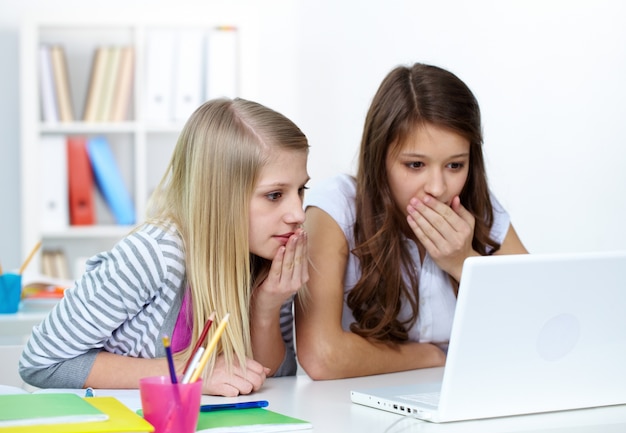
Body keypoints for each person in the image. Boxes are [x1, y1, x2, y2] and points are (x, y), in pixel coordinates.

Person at [20, 98, 310, 396]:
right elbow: (41, 363)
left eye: (301, 190)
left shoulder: (268, 254)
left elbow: (275, 375)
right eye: (275, 195)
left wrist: (266, 308)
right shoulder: (154, 254)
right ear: (218, 196)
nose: (298, 214)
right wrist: (191, 373)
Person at [295, 63, 528, 380]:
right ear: (379, 159)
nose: (437, 187)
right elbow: (323, 355)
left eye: (455, 165)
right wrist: (433, 355)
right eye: (415, 164)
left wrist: (464, 263)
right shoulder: (336, 208)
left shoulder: (480, 207)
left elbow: (535, 325)